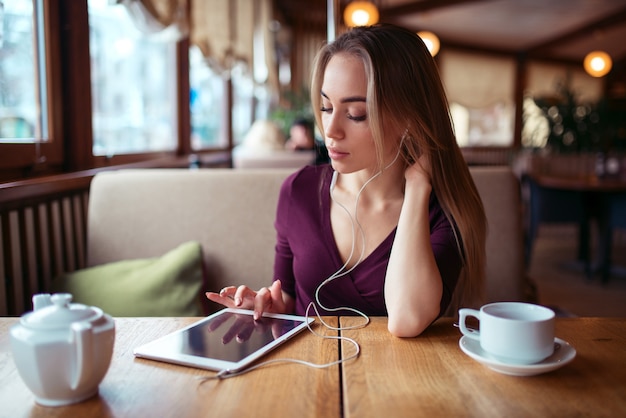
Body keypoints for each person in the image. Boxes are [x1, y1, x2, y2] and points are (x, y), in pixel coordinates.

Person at [207, 24, 487, 338]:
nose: (331, 130)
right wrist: (268, 305)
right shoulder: (298, 191)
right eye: (326, 108)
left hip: (402, 381)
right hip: (305, 373)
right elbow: (287, 295)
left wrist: (419, 187)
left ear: (410, 118)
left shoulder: (445, 213)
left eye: (355, 114)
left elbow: (407, 320)